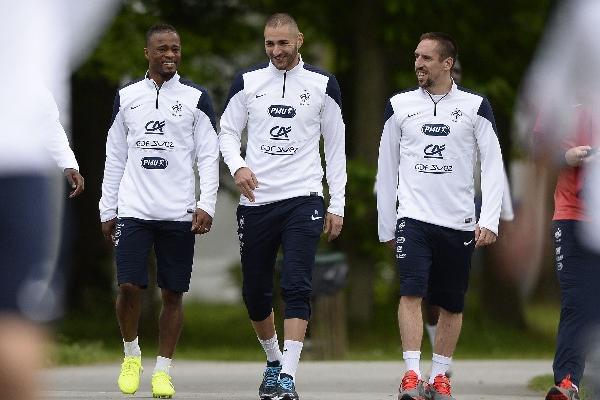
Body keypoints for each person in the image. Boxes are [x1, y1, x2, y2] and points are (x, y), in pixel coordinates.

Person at [219, 13, 346, 400]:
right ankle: (273, 361)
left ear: (299, 41)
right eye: (270, 44)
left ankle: (288, 377)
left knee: (296, 283)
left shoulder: (323, 85)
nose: (276, 51)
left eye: (283, 43)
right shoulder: (247, 82)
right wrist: (238, 165)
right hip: (257, 201)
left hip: (304, 197)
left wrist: (337, 202)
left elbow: (336, 147)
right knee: (255, 292)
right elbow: (225, 131)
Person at [376, 32, 505, 400]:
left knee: (451, 302)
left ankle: (440, 375)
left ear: (447, 64)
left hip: (459, 221)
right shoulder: (399, 105)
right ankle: (412, 375)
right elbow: (386, 167)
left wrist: (490, 219)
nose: (418, 63)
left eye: (427, 58)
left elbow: (493, 166)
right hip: (413, 218)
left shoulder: (475, 106)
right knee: (411, 292)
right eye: (416, 56)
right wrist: (388, 223)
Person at [99, 23, 219, 399]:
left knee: (172, 293)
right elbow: (115, 156)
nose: (170, 56)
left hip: (178, 212)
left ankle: (163, 371)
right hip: (134, 209)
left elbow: (208, 155)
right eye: (163, 49)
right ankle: (131, 354)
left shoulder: (196, 98)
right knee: (129, 286)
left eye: (176, 50)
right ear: (147, 53)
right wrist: (108, 207)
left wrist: (206, 203)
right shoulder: (127, 97)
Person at [422, 58, 515, 357]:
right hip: (420, 207)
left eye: (458, 71)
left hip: (464, 207)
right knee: (424, 286)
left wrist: (501, 213)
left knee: (450, 283)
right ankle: (435, 339)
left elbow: (491, 163)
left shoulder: (473, 110)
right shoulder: (410, 109)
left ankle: (442, 355)